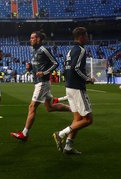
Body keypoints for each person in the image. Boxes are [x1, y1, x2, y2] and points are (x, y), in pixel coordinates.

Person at [10, 31, 70, 141]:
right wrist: (29, 68)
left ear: (38, 39)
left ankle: (24, 134)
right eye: (30, 38)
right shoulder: (34, 51)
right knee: (49, 107)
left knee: (32, 107)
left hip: (42, 82)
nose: (30, 40)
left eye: (32, 38)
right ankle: (74, 109)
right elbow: (37, 67)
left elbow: (56, 63)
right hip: (39, 82)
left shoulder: (44, 49)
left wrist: (45, 73)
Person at [52, 27, 93, 155]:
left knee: (77, 119)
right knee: (88, 120)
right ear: (81, 36)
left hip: (69, 86)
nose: (87, 38)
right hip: (77, 88)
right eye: (86, 35)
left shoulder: (70, 51)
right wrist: (88, 79)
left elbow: (66, 68)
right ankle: (61, 134)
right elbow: (76, 68)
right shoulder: (81, 50)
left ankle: (68, 147)